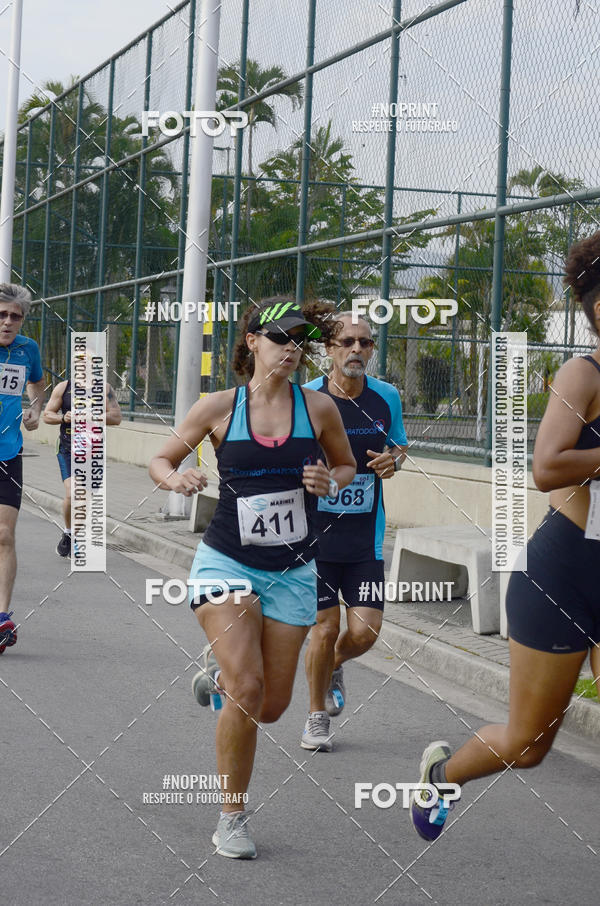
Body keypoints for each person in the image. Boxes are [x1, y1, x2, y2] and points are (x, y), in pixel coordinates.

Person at [149, 298, 355, 859]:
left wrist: (328, 481)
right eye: (281, 337)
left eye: (300, 340)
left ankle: (220, 680)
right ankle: (231, 818)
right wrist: (178, 478)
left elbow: (346, 466)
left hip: (293, 571)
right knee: (247, 687)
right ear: (252, 342)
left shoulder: (319, 409)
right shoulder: (217, 407)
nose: (293, 348)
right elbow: (160, 459)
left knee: (271, 706)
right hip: (226, 562)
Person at [411, 233, 600, 842]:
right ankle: (442, 775)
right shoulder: (583, 373)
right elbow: (546, 467)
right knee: (527, 745)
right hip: (561, 575)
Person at [301, 312, 407, 751]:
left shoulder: (386, 397)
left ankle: (333, 665)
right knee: (323, 629)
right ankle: (315, 718)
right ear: (329, 347)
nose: (357, 350)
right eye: (347, 342)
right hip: (314, 535)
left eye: (366, 343)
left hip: (365, 536)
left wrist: (393, 461)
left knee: (364, 633)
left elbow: (399, 444)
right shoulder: (303, 397)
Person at [0, 283, 45, 624]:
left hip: (8, 453)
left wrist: (35, 408)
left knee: (4, 534)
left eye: (15, 316)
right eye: (1, 314)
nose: (8, 321)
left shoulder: (27, 350)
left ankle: (2, 617)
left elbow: (37, 384)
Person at [43, 375, 122, 556]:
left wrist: (93, 416)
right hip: (68, 448)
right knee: (73, 492)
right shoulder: (64, 387)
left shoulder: (105, 388)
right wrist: (64, 418)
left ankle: (71, 535)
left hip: (93, 452)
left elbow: (116, 417)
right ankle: (70, 533)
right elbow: (47, 415)